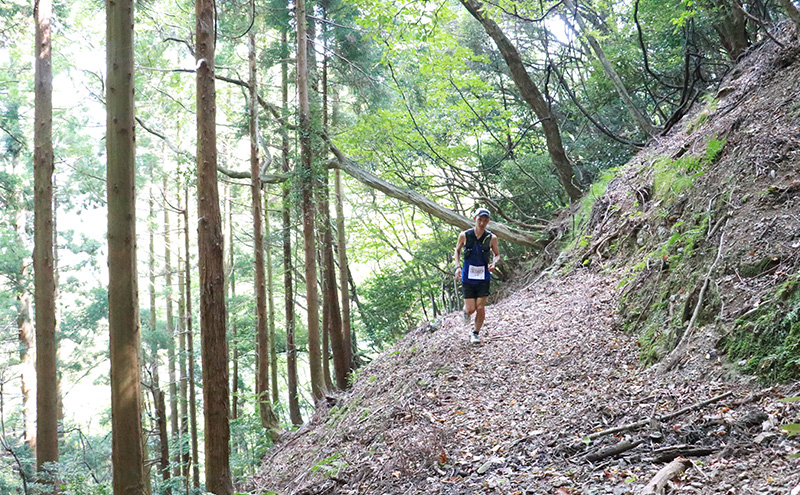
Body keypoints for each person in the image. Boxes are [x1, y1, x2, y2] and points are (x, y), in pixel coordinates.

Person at [454, 208, 500, 343]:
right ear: (475, 219)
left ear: (488, 221)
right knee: (471, 309)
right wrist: (457, 267)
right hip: (468, 276)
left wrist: (494, 263)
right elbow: (457, 251)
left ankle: (475, 333)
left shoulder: (491, 238)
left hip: (483, 277)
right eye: (480, 220)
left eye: (485, 220)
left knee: (480, 307)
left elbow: (497, 254)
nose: (482, 223)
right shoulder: (464, 235)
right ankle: (465, 311)